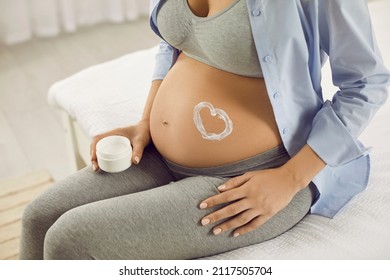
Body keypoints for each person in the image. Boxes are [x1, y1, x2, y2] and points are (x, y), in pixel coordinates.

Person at [20, 0, 389, 260]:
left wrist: (290, 179)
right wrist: (147, 121)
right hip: (159, 155)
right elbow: (175, 42)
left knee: (71, 241)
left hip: (258, 174)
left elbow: (367, 83)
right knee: (38, 217)